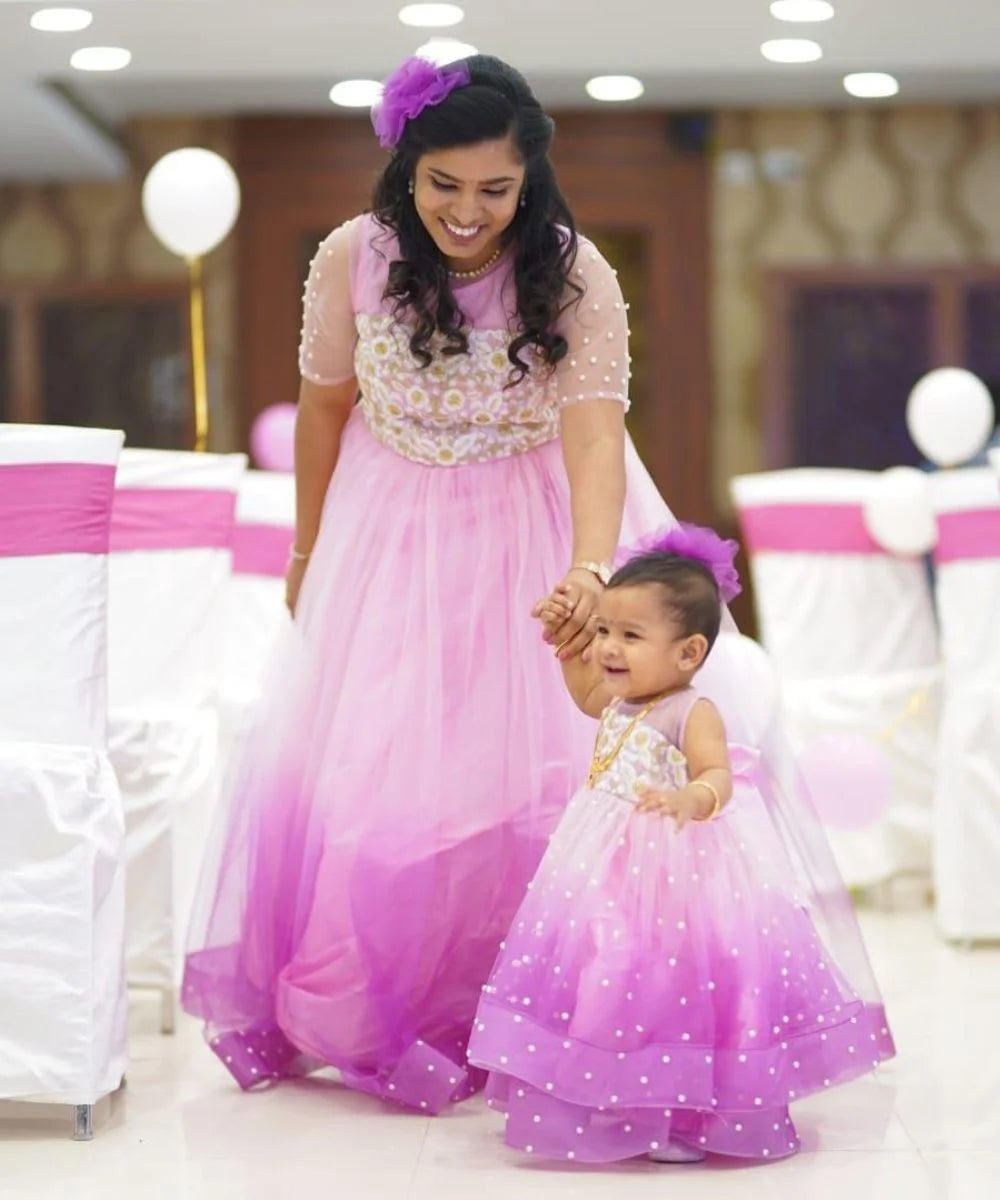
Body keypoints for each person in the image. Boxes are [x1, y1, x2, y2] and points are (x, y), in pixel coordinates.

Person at [181, 53, 677, 1110]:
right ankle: (386, 1007)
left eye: (493, 190)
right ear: (406, 172)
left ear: (528, 183)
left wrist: (590, 567)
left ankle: (513, 1010)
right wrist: (308, 553)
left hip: (528, 532)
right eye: (442, 185)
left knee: (521, 782)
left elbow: (595, 437)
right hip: (388, 537)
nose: (466, 211)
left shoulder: (574, 270)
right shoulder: (351, 258)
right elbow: (323, 411)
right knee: (382, 776)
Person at [468, 525, 896, 1163]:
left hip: (674, 869)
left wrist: (690, 799)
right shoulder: (621, 700)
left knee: (670, 983)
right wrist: (567, 647)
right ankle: (610, 1093)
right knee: (604, 970)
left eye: (630, 637)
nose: (609, 648)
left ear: (690, 652)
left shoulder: (691, 710)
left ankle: (682, 1110)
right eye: (606, 631)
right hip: (603, 864)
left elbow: (718, 773)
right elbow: (588, 695)